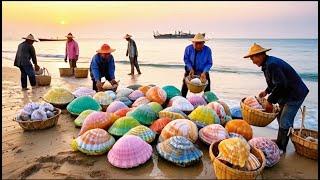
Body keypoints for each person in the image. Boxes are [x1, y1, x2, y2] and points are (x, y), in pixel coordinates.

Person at [243, 43, 309, 153]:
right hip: (286, 93)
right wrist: (266, 91)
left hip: (295, 94)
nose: (253, 61)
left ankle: (282, 147)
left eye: (253, 58)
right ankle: (280, 141)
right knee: (281, 118)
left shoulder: (272, 64)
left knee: (285, 120)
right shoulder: (266, 64)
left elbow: (281, 84)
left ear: (260, 55)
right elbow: (275, 83)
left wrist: (269, 101)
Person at [181, 33, 213, 97]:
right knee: (184, 87)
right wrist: (191, 68)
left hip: (203, 71)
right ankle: (182, 100)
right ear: (193, 42)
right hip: (190, 70)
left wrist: (204, 72)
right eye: (196, 43)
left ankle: (208, 103)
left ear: (204, 43)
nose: (198, 45)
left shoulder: (207, 50)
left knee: (207, 89)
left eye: (200, 43)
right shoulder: (188, 49)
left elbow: (209, 63)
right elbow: (186, 60)